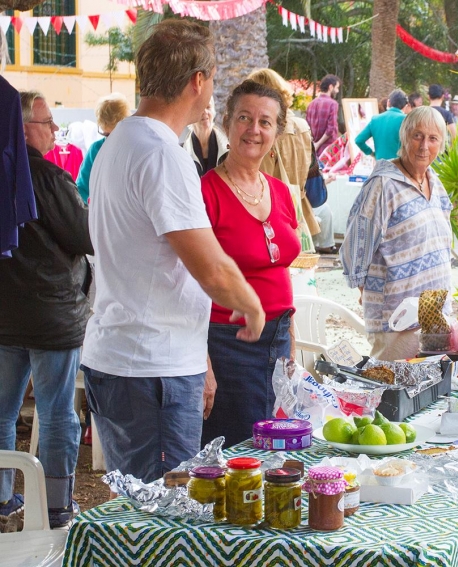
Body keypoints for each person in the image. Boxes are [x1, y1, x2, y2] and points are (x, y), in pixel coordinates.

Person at [82, 20, 265, 484]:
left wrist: (198, 357)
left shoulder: (119, 141)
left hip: (133, 357)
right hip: (149, 370)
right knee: (166, 523)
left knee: (141, 514)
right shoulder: (161, 154)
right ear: (197, 81)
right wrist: (250, 303)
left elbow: (157, 269)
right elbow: (208, 266)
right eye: (212, 77)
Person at [0, 90, 92, 528]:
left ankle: (3, 502)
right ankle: (56, 509)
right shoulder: (47, 177)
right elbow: (85, 236)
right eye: (47, 122)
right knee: (56, 415)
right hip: (51, 316)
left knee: (1, 413)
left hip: (5, 316)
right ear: (22, 128)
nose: (55, 129)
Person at [199, 80, 300, 447]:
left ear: (277, 132)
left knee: (275, 447)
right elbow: (188, 283)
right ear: (227, 122)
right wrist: (203, 364)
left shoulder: (279, 191)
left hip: (276, 341)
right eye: (244, 118)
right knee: (238, 452)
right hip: (227, 344)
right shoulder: (206, 192)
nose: (254, 130)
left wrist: (290, 332)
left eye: (265, 122)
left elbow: (281, 268)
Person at [341, 106, 453, 361]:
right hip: (396, 322)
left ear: (441, 144)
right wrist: (367, 295)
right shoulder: (383, 185)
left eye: (433, 138)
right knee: (395, 394)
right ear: (404, 137)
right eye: (417, 136)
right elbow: (355, 248)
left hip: (435, 318)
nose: (424, 145)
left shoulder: (434, 182)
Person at [248, 68, 320, 254]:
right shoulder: (302, 126)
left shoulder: (264, 132)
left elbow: (258, 179)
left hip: (270, 215)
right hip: (299, 213)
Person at [76, 93, 131, 203]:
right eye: (106, 135)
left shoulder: (136, 148)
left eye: (115, 134)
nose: (111, 140)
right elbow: (80, 191)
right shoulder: (96, 150)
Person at [355, 89, 409, 160]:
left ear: (388, 102)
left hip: (380, 165)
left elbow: (358, 140)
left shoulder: (375, 119)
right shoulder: (406, 120)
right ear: (406, 106)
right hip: (399, 166)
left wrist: (372, 153)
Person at [183, 97, 229, 177]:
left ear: (213, 111)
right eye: (199, 108)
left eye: (208, 107)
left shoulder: (230, 151)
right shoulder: (181, 154)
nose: (205, 111)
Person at [306, 74, 340, 158]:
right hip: (328, 151)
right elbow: (330, 129)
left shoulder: (311, 104)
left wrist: (314, 144)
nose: (338, 91)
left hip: (313, 150)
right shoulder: (333, 104)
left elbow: (307, 128)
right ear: (331, 87)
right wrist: (318, 144)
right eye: (337, 88)